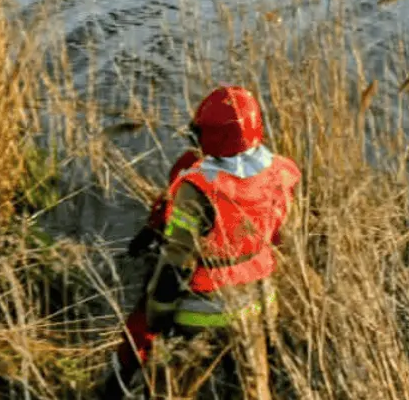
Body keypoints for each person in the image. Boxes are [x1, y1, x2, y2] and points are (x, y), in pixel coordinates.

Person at [103, 85, 300, 400]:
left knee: (172, 385)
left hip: (201, 306)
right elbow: (282, 234)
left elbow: (177, 261)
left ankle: (117, 386)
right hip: (261, 299)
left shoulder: (198, 185)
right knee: (253, 386)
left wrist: (157, 311)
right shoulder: (281, 172)